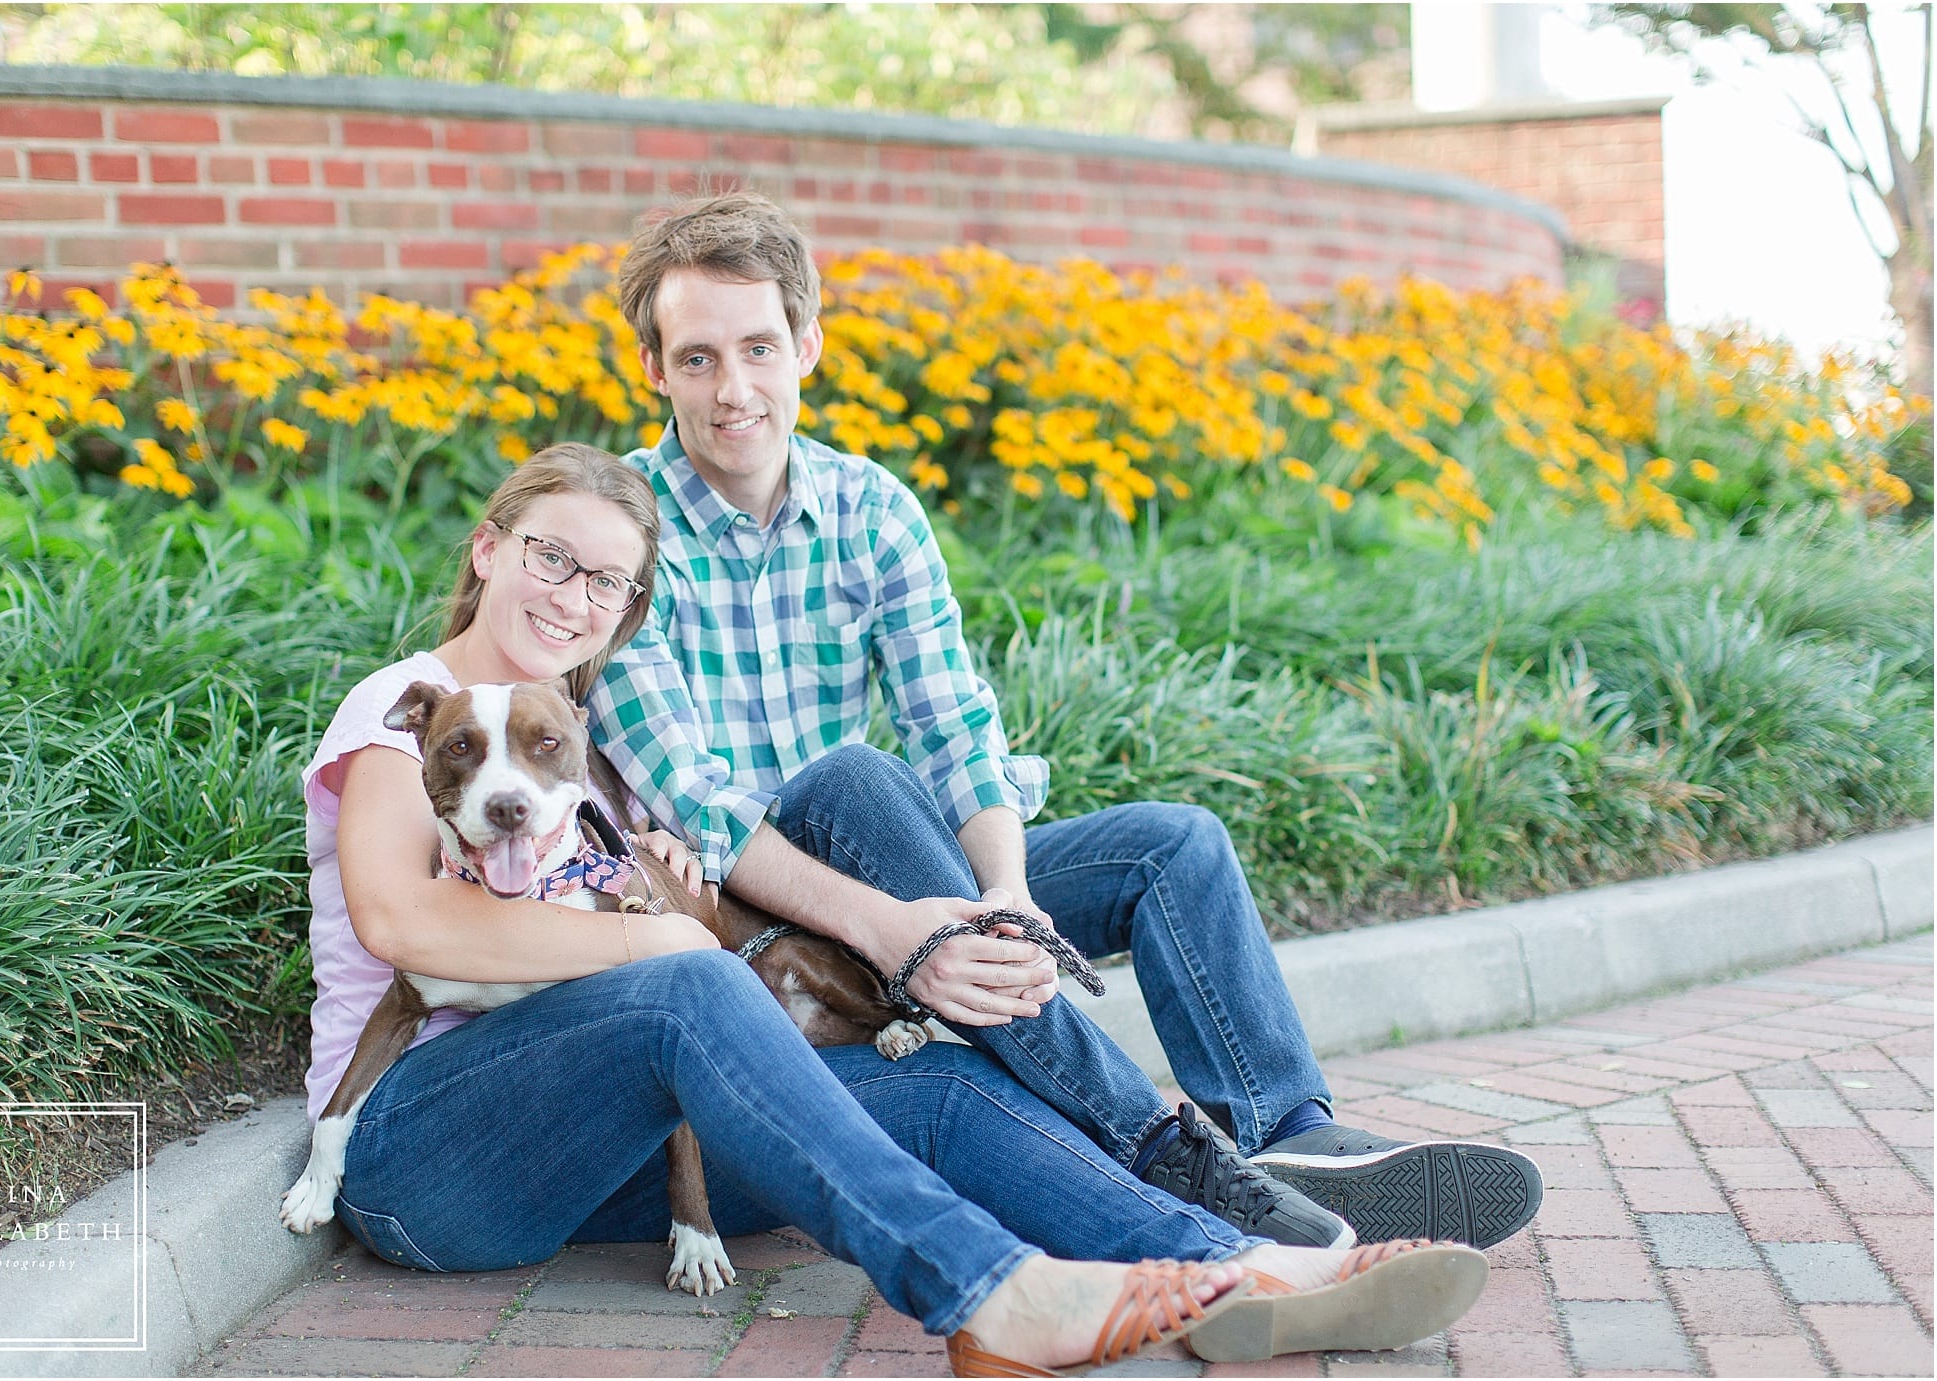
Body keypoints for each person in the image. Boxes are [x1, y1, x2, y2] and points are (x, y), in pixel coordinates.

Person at [298, 442, 1489, 1371]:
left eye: (607, 581)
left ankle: (1242, 1265)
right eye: (552, 559)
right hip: (425, 1156)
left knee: (937, 1085)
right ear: (489, 547)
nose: (573, 597)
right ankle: (1000, 1294)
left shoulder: (569, 750)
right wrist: (659, 929)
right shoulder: (409, 707)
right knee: (690, 976)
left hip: (592, 1154)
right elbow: (411, 928)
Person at [587, 192, 1545, 1252]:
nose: (733, 390)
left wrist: (1003, 895)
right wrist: (900, 932)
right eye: (698, 359)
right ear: (653, 368)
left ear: (807, 344)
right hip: (760, 922)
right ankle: (1157, 1147)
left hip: (912, 887)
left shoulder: (871, 509)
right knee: (850, 781)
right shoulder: (620, 531)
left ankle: (1287, 1141)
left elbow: (956, 729)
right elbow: (700, 807)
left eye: (759, 348)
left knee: (1170, 846)